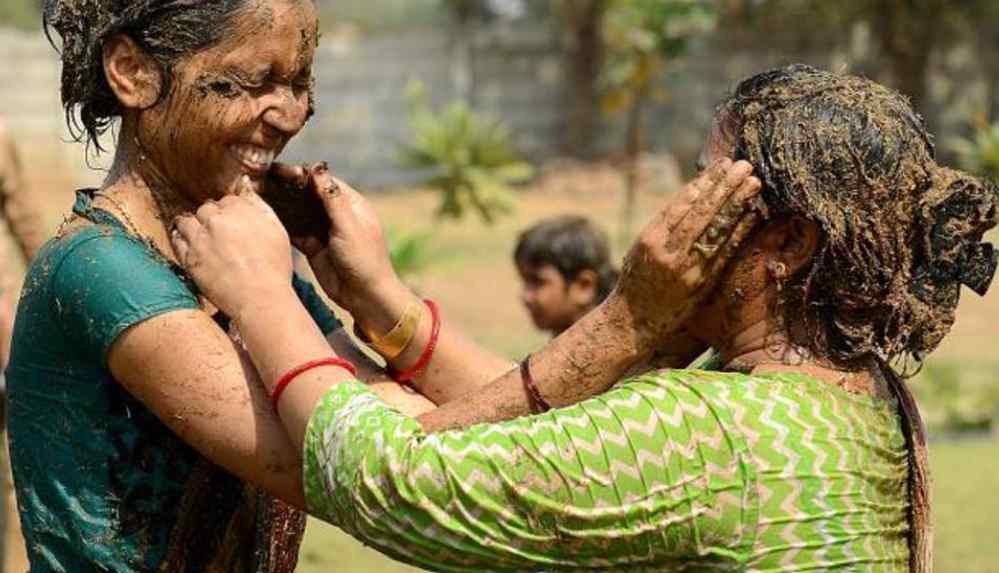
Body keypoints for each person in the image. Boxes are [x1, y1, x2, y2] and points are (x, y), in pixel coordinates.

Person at [172, 65, 997, 572]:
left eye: (706, 180)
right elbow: (559, 436)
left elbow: (394, 479)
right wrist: (384, 306)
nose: (679, 206)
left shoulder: (715, 433)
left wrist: (265, 295)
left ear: (787, 240)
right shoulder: (852, 395)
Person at [8, 1, 434, 571]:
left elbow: (401, 426)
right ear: (132, 72)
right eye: (253, 82)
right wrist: (560, 370)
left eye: (299, 83)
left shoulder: (244, 269)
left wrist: (376, 297)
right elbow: (362, 470)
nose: (290, 115)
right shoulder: (99, 268)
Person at [514, 215, 618, 337]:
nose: (526, 297)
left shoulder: (609, 343)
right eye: (525, 281)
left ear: (584, 286)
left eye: (538, 282)